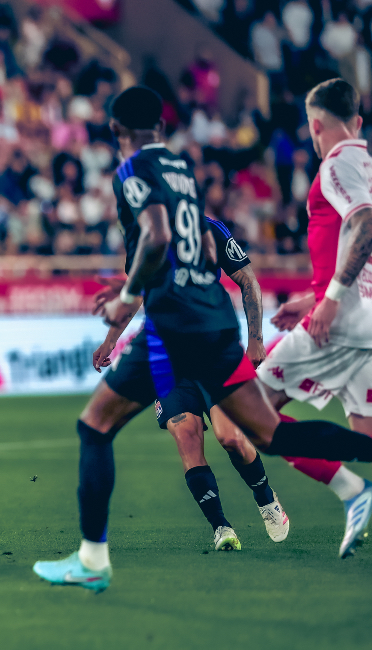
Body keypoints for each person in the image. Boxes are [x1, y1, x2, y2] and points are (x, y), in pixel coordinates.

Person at [32, 86, 372, 594]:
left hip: (173, 328)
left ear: (117, 131)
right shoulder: (180, 169)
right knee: (268, 434)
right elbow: (204, 247)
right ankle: (351, 481)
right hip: (214, 321)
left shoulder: (132, 172)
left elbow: (157, 238)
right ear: (162, 128)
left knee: (95, 427)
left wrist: (125, 298)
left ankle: (92, 560)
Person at [209, 77, 372, 558]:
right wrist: (316, 295)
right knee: (363, 438)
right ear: (358, 121)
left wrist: (331, 299)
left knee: (241, 417)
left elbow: (365, 223)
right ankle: (353, 491)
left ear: (315, 125)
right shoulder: (365, 163)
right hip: (358, 320)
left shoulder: (337, 163)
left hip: (337, 327)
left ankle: (352, 490)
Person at [90, 215, 288, 551]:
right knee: (186, 435)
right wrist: (110, 341)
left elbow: (248, 280)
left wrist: (256, 338)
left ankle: (266, 498)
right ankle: (221, 526)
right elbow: (136, 295)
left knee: (231, 438)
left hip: (214, 350)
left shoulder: (209, 228)